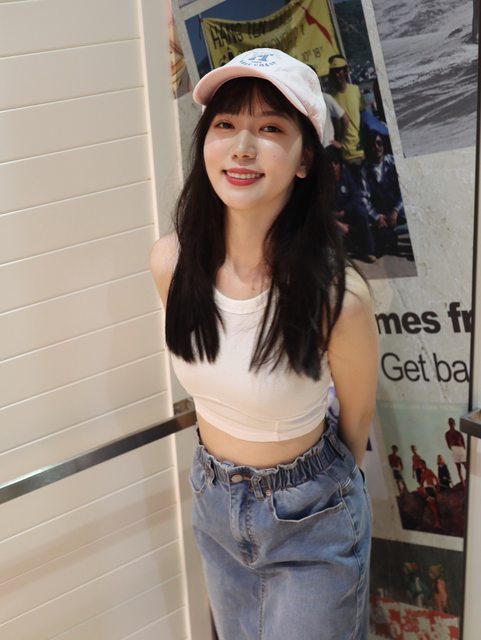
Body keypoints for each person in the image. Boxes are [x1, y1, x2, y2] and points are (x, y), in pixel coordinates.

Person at [150, 48, 378, 640]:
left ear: (306, 160)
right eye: (226, 124)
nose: (242, 147)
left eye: (271, 128)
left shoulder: (339, 297)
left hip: (312, 520)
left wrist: (310, 494)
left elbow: (355, 425)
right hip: (213, 503)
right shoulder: (171, 263)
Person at [326, 144, 377, 263]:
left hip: (345, 213)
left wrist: (344, 212)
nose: (332, 166)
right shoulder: (322, 182)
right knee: (336, 252)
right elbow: (319, 209)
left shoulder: (346, 175)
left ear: (340, 164)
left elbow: (356, 196)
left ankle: (368, 251)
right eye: (329, 163)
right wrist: (337, 222)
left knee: (361, 211)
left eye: (335, 162)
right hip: (330, 219)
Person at [361, 132, 407, 254]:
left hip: (399, 210)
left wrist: (396, 211)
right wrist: (377, 217)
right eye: (373, 145)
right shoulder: (365, 169)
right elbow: (364, 198)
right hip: (382, 214)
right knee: (385, 241)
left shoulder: (393, 162)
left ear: (384, 145)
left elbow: (405, 188)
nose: (377, 147)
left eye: (379, 143)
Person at [328, 55, 365, 176]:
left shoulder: (355, 90)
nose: (337, 75)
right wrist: (338, 143)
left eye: (339, 71)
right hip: (344, 156)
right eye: (334, 72)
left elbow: (364, 117)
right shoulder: (331, 97)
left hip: (361, 151)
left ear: (345, 71)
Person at [445, 417, 467, 486]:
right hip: (454, 450)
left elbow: (463, 444)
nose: (451, 424)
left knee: (466, 465)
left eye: (452, 422)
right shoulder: (447, 434)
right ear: (448, 424)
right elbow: (448, 444)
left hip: (460, 449)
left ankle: (468, 479)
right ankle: (463, 484)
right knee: (458, 468)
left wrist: (461, 448)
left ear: (454, 423)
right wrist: (453, 447)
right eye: (450, 422)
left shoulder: (458, 433)